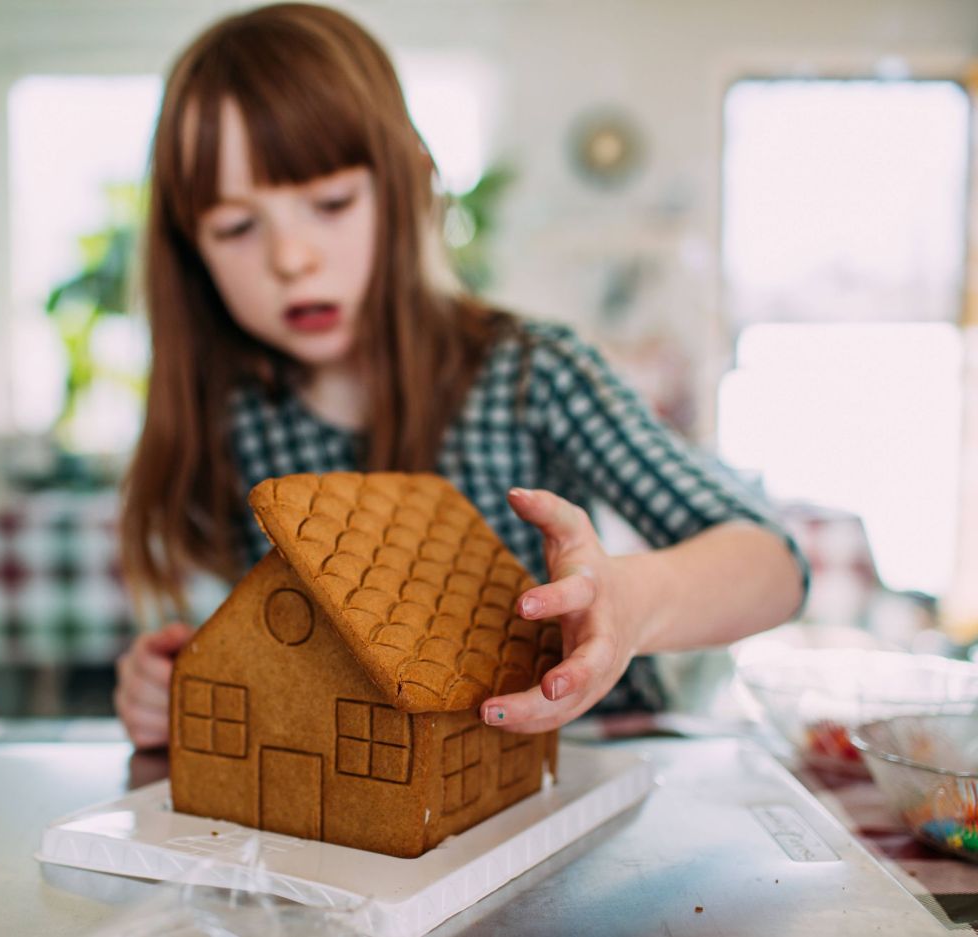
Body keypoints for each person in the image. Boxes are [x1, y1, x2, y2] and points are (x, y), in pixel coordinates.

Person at [113, 2, 807, 750]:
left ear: (409, 186)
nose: (291, 258)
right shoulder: (231, 421)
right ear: (191, 253)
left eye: (332, 203)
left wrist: (632, 600)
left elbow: (773, 565)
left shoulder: (531, 372)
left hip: (580, 766)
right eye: (238, 227)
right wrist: (172, 691)